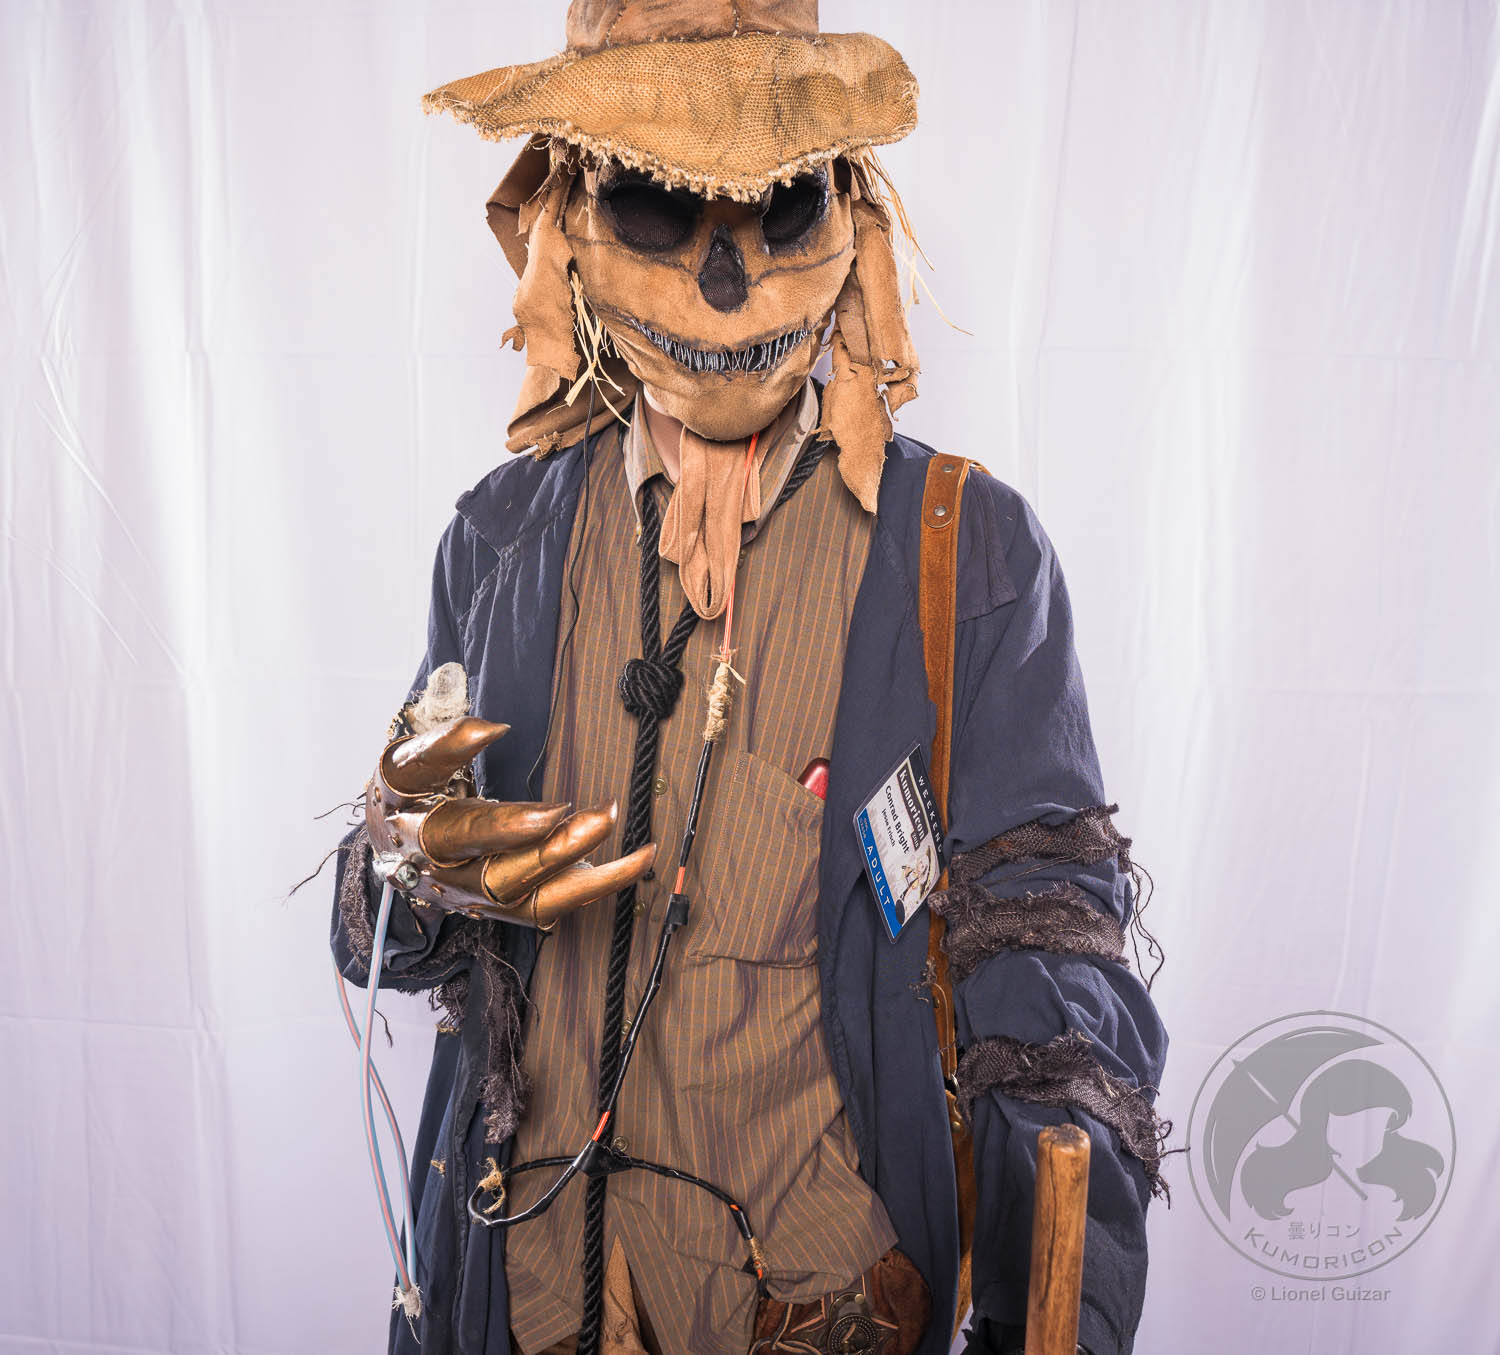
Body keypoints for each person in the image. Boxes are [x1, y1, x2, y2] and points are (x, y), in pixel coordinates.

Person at [331, 5, 1169, 1354]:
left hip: (813, 1302)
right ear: (570, 217)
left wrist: (1058, 1283)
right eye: (660, 204)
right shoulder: (499, 540)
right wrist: (403, 857)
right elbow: (395, 938)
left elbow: (1044, 953)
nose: (725, 284)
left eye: (781, 207)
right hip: (532, 1294)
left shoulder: (965, 553)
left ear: (851, 213)